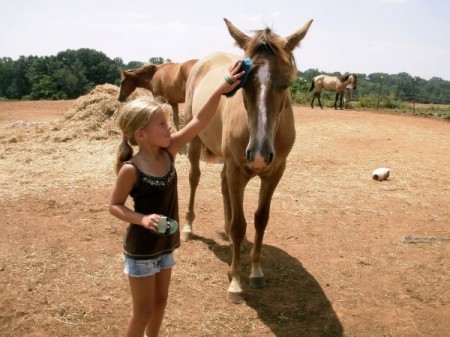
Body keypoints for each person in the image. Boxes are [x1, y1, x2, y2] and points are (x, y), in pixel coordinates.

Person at [109, 61, 244, 337]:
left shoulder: (169, 152)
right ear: (141, 135)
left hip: (165, 244)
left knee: (160, 302)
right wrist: (141, 219)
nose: (170, 128)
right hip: (142, 250)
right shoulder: (130, 169)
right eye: (163, 124)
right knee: (142, 311)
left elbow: (198, 121)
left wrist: (220, 87)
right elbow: (114, 206)